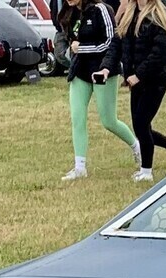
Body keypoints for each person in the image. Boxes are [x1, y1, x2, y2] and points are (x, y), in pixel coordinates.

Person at [110, 0, 166, 182]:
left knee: (141, 124)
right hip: (135, 82)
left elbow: (159, 53)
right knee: (140, 128)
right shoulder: (129, 15)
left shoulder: (159, 15)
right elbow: (119, 45)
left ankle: (146, 171)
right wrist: (112, 68)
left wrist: (139, 74)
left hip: (155, 81)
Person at [61, 0, 137, 182]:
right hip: (80, 72)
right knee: (77, 118)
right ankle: (80, 167)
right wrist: (73, 50)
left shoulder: (102, 9)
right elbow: (72, 40)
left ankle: (137, 147)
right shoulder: (71, 13)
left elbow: (111, 42)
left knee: (109, 121)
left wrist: (83, 49)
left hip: (103, 71)